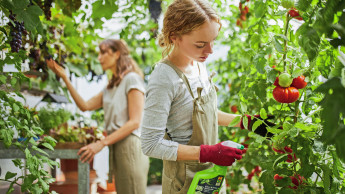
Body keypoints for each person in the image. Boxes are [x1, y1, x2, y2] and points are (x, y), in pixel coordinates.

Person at [141, 0, 273, 193]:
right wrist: (210, 152)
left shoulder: (197, 63)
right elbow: (150, 144)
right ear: (174, 37)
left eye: (213, 41)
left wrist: (248, 122)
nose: (210, 50)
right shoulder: (164, 78)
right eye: (201, 44)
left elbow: (202, 114)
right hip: (184, 182)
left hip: (209, 175)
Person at [46, 39, 149, 194]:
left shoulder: (132, 79)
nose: (99, 58)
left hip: (131, 147)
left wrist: (101, 143)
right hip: (117, 146)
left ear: (117, 54)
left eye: (104, 52)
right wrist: (65, 77)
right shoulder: (110, 87)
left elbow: (135, 122)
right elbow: (84, 106)